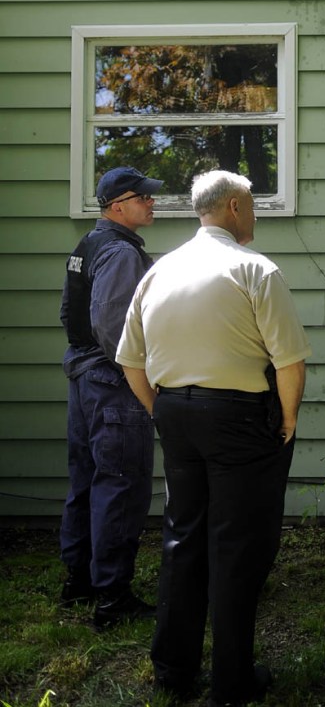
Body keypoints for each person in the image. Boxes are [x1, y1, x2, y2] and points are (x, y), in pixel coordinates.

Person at [116, 169, 311, 707]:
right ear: (230, 208)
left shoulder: (159, 271)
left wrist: (164, 411)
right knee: (238, 545)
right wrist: (288, 421)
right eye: (250, 204)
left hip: (176, 412)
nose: (254, 213)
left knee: (183, 537)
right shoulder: (255, 269)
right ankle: (233, 680)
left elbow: (130, 362)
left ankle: (173, 670)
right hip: (240, 417)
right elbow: (289, 364)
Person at [59, 166, 163, 629]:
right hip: (113, 383)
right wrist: (136, 378)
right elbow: (112, 326)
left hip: (83, 378)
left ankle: (78, 581)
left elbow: (69, 312)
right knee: (121, 484)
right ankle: (112, 599)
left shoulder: (87, 246)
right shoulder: (120, 252)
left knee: (86, 481)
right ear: (117, 206)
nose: (152, 202)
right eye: (143, 197)